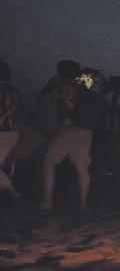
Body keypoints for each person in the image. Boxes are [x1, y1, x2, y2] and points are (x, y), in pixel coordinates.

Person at [40, 71, 107, 210]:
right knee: (82, 168)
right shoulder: (99, 99)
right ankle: (83, 204)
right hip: (88, 133)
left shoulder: (76, 92)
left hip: (73, 129)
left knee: (49, 160)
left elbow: (59, 105)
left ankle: (47, 201)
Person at [0, 61, 21, 199]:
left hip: (1, 132)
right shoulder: (14, 91)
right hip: (13, 132)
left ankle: (12, 192)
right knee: (3, 166)